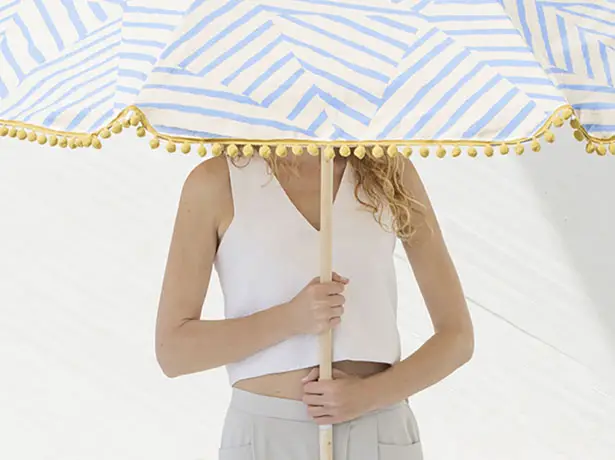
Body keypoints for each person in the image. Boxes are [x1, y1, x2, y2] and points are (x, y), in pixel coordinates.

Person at [154, 146, 474, 460]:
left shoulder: (390, 173)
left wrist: (369, 395)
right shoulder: (215, 183)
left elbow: (457, 337)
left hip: (379, 430)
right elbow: (174, 351)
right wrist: (289, 319)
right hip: (267, 438)